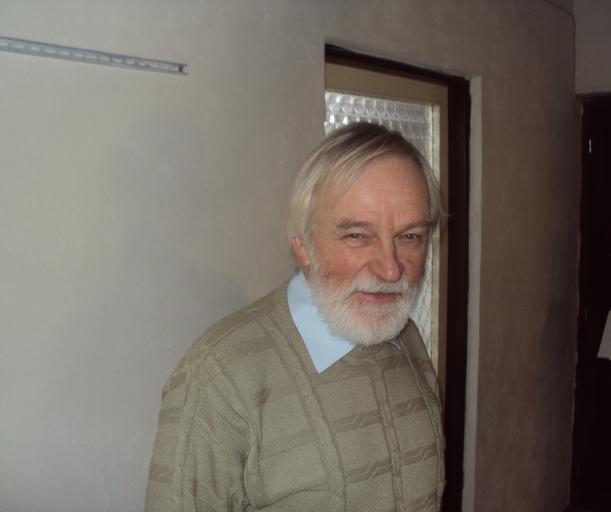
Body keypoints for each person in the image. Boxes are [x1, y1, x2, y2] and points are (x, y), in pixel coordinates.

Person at [144, 122, 445, 511]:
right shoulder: (218, 376)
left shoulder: (405, 336)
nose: (391, 269)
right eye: (357, 235)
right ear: (303, 247)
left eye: (410, 236)